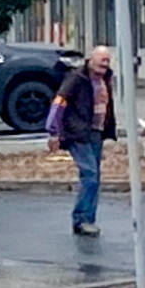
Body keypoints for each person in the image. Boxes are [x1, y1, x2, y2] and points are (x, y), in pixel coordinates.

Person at [48, 45, 118, 238]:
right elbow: (59, 102)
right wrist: (54, 132)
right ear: (92, 59)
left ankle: (89, 219)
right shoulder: (76, 79)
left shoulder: (106, 78)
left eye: (108, 60)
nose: (106, 63)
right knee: (90, 174)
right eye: (102, 60)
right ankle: (81, 219)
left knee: (93, 177)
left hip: (96, 132)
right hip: (77, 133)